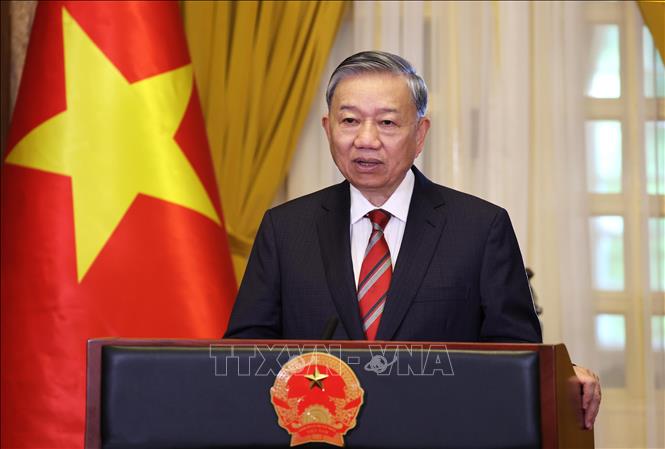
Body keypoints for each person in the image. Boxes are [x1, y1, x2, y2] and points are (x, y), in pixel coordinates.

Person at [224, 51, 600, 428]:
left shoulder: (480, 228)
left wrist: (561, 377)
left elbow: (518, 355)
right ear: (328, 128)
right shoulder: (285, 229)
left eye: (387, 122)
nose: (366, 139)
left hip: (440, 432)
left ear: (420, 134)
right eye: (350, 120)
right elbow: (245, 356)